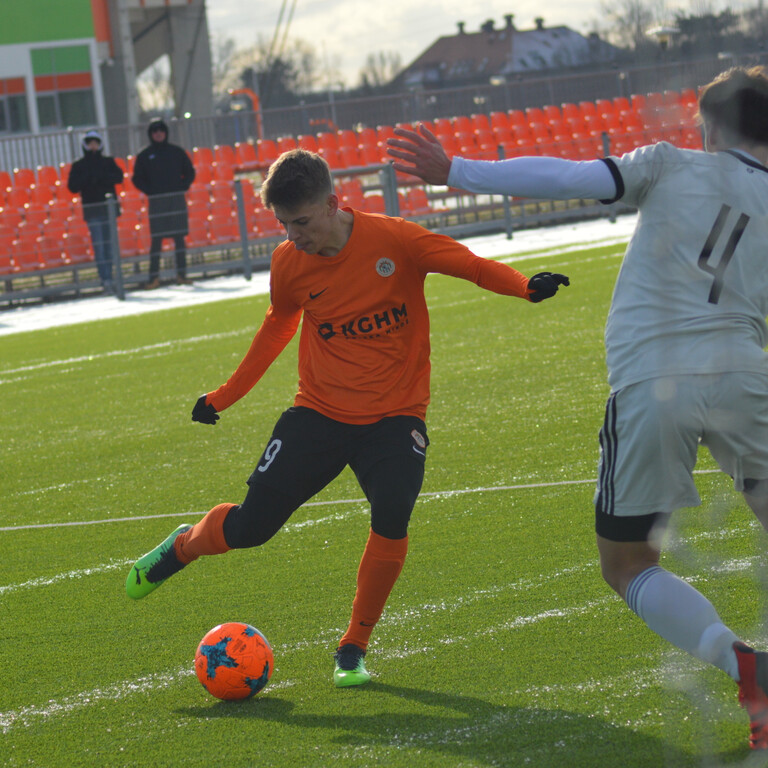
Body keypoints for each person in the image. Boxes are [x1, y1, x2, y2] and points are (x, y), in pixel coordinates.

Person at [387, 66, 768, 749]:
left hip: (654, 382)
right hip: (746, 376)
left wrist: (457, 170)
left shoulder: (669, 163)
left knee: (627, 565)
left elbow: (570, 177)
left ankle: (742, 663)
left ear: (713, 127)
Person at [125, 148, 569, 687]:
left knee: (393, 514)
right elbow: (277, 328)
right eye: (284, 224)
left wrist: (524, 286)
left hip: (395, 416)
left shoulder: (396, 240)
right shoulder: (288, 263)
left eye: (303, 222)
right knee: (250, 529)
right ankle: (184, 545)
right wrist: (223, 396)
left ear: (335, 203)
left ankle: (353, 648)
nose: (294, 235)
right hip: (319, 414)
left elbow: (470, 266)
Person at [131, 118, 195, 289]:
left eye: (161, 131)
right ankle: (153, 279)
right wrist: (151, 191)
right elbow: (136, 178)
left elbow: (190, 172)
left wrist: (181, 187)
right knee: (156, 241)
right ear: (151, 135)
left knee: (179, 239)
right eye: (154, 131)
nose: (158, 134)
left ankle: (182, 275)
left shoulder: (177, 152)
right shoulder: (145, 155)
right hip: (157, 202)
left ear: (166, 133)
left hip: (176, 201)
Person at [66, 129, 123, 293]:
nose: (93, 146)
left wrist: (101, 177)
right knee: (99, 246)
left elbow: (118, 177)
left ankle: (112, 277)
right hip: (93, 211)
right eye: (90, 142)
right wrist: (89, 178)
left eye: (95, 142)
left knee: (110, 246)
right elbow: (72, 186)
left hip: (109, 210)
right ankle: (105, 278)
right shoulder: (79, 165)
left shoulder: (107, 162)